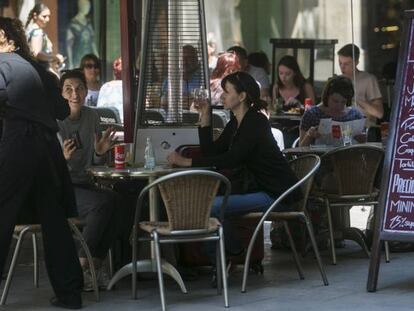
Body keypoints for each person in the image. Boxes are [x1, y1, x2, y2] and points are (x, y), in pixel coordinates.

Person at [167, 71, 301, 261]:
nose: (222, 96)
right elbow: (212, 153)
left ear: (242, 96)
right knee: (210, 203)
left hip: (276, 193)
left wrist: (186, 161)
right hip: (259, 189)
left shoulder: (256, 122)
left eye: (226, 92)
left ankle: (229, 255)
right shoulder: (236, 122)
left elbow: (232, 159)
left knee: (211, 206)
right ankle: (225, 256)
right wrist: (205, 117)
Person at [0, 17, 83, 309]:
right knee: (54, 220)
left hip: (20, 145)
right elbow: (61, 109)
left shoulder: (3, 63)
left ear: (3, 37)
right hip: (48, 150)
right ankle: (71, 295)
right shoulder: (38, 68)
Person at [58, 69, 119, 292]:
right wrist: (62, 158)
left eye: (79, 88)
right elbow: (48, 168)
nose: (75, 94)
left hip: (84, 182)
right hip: (62, 186)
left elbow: (94, 159)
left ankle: (95, 265)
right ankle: (81, 266)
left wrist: (101, 151)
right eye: (68, 89)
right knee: (100, 203)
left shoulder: (92, 116)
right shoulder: (56, 121)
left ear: (86, 91)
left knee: (115, 199)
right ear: (62, 94)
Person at [299, 76, 364, 146]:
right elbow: (301, 148)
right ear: (327, 96)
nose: (339, 106)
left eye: (343, 102)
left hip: (347, 155)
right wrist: (309, 135)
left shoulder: (355, 115)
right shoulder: (312, 114)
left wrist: (362, 140)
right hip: (320, 155)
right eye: (335, 101)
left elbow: (362, 147)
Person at [337, 44, 383, 125]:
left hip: (364, 127)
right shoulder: (337, 80)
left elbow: (379, 113)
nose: (342, 67)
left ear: (356, 62)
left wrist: (357, 100)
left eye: (346, 64)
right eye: (340, 63)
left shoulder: (369, 79)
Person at [25, 3, 64, 74]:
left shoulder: (29, 29)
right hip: (41, 70)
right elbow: (37, 54)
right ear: (35, 16)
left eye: (48, 16)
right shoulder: (37, 31)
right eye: (44, 16)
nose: (47, 19)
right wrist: (55, 57)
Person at [161, 44, 202, 110]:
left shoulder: (203, 79)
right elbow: (162, 101)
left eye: (188, 58)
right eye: (181, 58)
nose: (184, 62)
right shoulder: (169, 80)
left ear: (196, 59)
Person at [66, 0, 99, 69]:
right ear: (80, 6)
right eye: (86, 6)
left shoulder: (88, 23)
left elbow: (92, 43)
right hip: (78, 60)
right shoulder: (73, 24)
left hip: (90, 60)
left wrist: (97, 57)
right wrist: (70, 63)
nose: (88, 8)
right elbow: (69, 46)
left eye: (89, 6)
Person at [97, 57, 123, 122]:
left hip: (109, 126)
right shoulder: (131, 87)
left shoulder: (106, 87)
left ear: (114, 72)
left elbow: (100, 112)